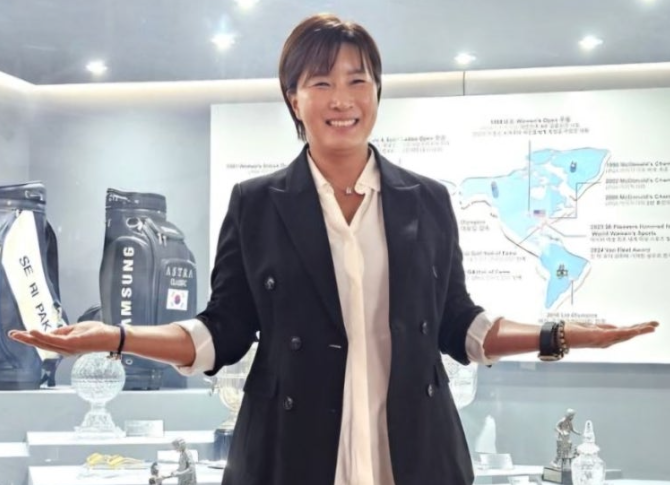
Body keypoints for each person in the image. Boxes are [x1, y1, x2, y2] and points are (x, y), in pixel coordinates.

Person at [9, 13, 658, 485]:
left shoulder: (427, 200)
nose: (342, 99)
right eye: (320, 82)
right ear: (293, 98)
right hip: (292, 452)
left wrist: (561, 335)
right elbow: (221, 332)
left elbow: (460, 325)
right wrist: (116, 337)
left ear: (377, 92)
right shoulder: (257, 203)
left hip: (413, 453)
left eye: (358, 80)